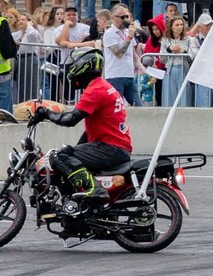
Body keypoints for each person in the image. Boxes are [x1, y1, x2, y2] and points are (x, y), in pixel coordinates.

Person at [21, 49, 135, 216]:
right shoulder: (103, 86)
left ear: (83, 66)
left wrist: (46, 113)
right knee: (66, 156)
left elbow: (71, 119)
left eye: (73, 65)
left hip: (110, 148)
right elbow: (91, 131)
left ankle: (95, 190)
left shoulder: (95, 89)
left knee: (58, 156)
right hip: (114, 147)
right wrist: (73, 151)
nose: (70, 69)